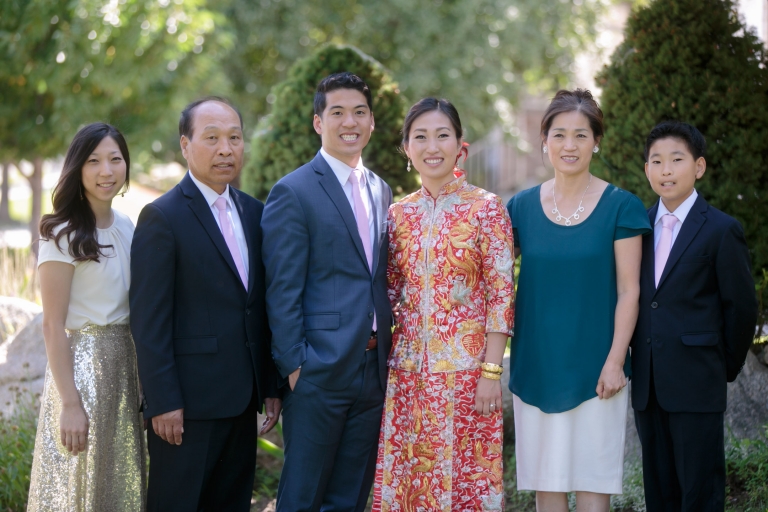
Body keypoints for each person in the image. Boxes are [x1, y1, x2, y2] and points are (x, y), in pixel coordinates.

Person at [130, 97, 281, 511]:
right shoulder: (161, 217)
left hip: (241, 400)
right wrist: (163, 401)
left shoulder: (254, 212)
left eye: (234, 138)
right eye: (211, 138)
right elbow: (149, 321)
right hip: (186, 409)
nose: (225, 149)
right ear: (185, 144)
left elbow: (258, 307)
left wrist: (269, 384)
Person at [507, 89, 651, 512]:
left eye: (581, 135)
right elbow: (490, 281)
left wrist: (614, 359)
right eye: (560, 135)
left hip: (597, 369)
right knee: (546, 488)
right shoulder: (519, 208)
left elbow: (630, 290)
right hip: (536, 364)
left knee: (593, 487)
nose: (569, 145)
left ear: (596, 141)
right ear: (544, 141)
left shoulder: (621, 206)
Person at [372, 97, 514, 511]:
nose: (432, 146)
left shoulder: (486, 209)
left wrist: (491, 371)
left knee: (463, 486)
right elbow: (390, 293)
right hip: (408, 377)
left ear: (459, 145)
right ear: (406, 148)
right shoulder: (398, 214)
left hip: (468, 379)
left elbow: (501, 295)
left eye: (442, 135)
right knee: (411, 487)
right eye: (421, 137)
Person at [262, 71, 393, 512]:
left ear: (372, 121)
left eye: (359, 112)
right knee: (302, 496)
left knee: (350, 498)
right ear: (319, 122)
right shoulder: (293, 191)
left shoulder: (381, 190)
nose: (349, 122)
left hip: (373, 370)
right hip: (318, 371)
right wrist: (296, 367)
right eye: (337, 112)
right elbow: (282, 289)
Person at [632, 121, 758, 512]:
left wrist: (722, 366)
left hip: (698, 380)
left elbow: (741, 308)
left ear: (698, 167)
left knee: (700, 493)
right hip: (648, 384)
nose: (665, 170)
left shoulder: (721, 230)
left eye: (676, 160)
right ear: (647, 169)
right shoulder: (635, 229)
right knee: (660, 491)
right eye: (656, 161)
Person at [27, 123, 145, 511]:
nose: (106, 171)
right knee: (80, 487)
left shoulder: (128, 226)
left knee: (119, 485)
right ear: (77, 168)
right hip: (81, 371)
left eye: (115, 159)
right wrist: (70, 404)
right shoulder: (61, 233)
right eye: (94, 161)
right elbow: (52, 325)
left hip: (124, 370)